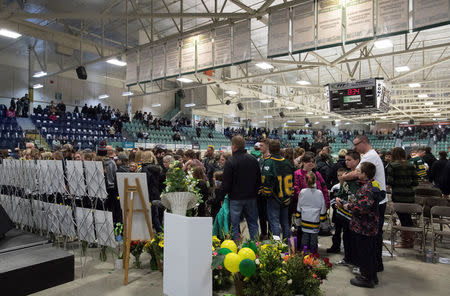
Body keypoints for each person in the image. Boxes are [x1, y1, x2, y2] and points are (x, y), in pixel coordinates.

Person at [344, 135, 387, 273]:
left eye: (356, 144)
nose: (355, 147)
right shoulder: (371, 155)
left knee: (369, 239)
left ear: (364, 142)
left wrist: (344, 177)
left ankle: (370, 269)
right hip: (376, 201)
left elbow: (356, 174)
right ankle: (374, 265)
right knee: (374, 237)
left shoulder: (369, 157)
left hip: (373, 204)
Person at [341, 162, 381, 288]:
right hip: (368, 225)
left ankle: (366, 278)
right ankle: (371, 276)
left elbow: (363, 207)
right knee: (369, 252)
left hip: (364, 226)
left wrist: (348, 206)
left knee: (365, 253)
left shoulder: (367, 188)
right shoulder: (371, 186)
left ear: (364, 174)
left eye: (359, 171)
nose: (356, 173)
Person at [223, 136, 261, 242]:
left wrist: (220, 197)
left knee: (234, 225)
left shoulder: (230, 161)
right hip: (251, 198)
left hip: (235, 198)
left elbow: (226, 183)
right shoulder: (253, 159)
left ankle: (236, 247)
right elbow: (259, 179)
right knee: (253, 224)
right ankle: (255, 247)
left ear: (234, 146)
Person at [331, 150, 361, 269]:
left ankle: (356, 261)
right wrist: (338, 197)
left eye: (349, 160)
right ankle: (347, 258)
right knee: (346, 236)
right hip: (343, 210)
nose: (346, 162)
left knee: (354, 238)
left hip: (353, 210)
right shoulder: (347, 173)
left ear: (357, 161)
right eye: (346, 160)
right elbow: (343, 189)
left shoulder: (359, 175)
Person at [260, 140, 294, 240]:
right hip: (286, 197)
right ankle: (286, 243)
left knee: (274, 222)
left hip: (274, 197)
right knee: (285, 222)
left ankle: (277, 246)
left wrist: (265, 192)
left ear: (269, 149)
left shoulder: (269, 162)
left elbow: (266, 179)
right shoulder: (287, 162)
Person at [386, 147, 419, 248]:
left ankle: (406, 241)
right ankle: (409, 240)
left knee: (403, 219)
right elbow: (415, 182)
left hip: (398, 195)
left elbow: (390, 181)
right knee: (407, 218)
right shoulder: (410, 165)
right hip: (409, 195)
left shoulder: (392, 165)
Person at [297, 171, 326, 253]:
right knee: (314, 239)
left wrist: (298, 218)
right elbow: (323, 208)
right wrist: (323, 220)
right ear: (315, 180)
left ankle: (304, 255)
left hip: (304, 220)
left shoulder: (302, 192)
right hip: (315, 221)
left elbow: (299, 206)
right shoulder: (319, 193)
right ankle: (313, 256)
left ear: (305, 181)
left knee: (304, 238)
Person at [140, 150, 163, 232]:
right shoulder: (156, 168)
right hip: (155, 193)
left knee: (152, 216)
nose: (141, 159)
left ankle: (160, 233)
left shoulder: (145, 169)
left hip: (148, 194)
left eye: (142, 157)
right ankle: (160, 233)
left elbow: (144, 183)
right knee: (155, 215)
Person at [327, 167, 348, 254]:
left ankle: (347, 249)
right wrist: (334, 205)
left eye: (342, 175)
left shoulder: (347, 187)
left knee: (346, 233)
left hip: (346, 213)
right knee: (337, 231)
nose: (340, 177)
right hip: (337, 212)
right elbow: (332, 198)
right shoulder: (335, 187)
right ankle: (335, 246)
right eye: (338, 175)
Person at [257, 138, 271, 240]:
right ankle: (263, 233)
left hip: (270, 193)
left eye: (261, 145)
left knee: (270, 215)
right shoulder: (259, 159)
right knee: (261, 214)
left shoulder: (272, 160)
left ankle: (271, 234)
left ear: (267, 146)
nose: (259, 147)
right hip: (260, 192)